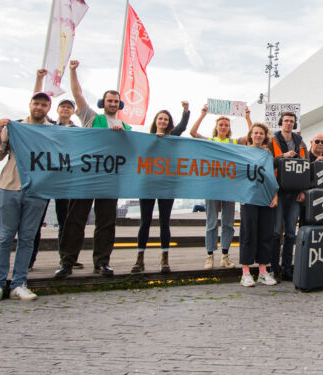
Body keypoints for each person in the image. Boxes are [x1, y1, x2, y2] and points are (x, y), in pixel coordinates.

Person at [55, 60, 130, 278]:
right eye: (109, 100)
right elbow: (77, 94)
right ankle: (67, 262)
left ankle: (102, 262)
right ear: (102, 103)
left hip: (109, 179)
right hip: (86, 177)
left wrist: (124, 136)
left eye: (115, 101)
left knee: (106, 223)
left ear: (119, 104)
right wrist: (73, 71)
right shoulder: (91, 118)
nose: (112, 103)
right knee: (75, 220)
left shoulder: (126, 127)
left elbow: (130, 151)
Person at [0, 92, 54, 302]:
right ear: (30, 104)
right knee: (4, 237)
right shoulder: (15, 127)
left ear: (48, 108)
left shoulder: (53, 131)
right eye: (36, 103)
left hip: (37, 189)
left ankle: (19, 283)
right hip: (10, 185)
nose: (39, 107)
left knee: (27, 238)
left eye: (44, 104)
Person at [29, 68, 83, 271]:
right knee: (36, 220)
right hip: (45, 177)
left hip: (65, 180)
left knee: (65, 221)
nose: (66, 110)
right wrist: (39, 79)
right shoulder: (48, 125)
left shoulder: (78, 132)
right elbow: (35, 101)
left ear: (73, 112)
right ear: (57, 110)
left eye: (70, 107)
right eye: (63, 107)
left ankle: (66, 259)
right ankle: (29, 259)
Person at [191, 103, 252, 269]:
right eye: (221, 124)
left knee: (228, 223)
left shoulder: (234, 142)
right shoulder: (210, 141)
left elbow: (251, 136)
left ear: (229, 128)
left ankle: (225, 255)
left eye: (226, 125)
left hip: (230, 187)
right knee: (211, 222)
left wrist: (247, 118)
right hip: (212, 187)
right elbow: (193, 133)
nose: (224, 127)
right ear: (216, 127)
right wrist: (203, 114)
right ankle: (209, 255)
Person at [131, 103, 190, 274]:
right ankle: (139, 259)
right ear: (156, 121)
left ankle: (165, 259)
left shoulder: (172, 137)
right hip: (148, 184)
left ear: (169, 123)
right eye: (160, 118)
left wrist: (186, 111)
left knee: (164, 222)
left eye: (166, 119)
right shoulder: (146, 139)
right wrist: (153, 141)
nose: (163, 121)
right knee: (145, 221)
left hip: (166, 185)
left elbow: (182, 127)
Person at [239, 122, 279, 286]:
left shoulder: (268, 155)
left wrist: (275, 194)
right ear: (250, 135)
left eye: (261, 133)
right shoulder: (243, 152)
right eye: (255, 133)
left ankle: (263, 271)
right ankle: (245, 272)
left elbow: (271, 176)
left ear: (265, 136)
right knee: (248, 234)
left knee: (265, 234)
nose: (258, 135)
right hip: (249, 198)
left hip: (265, 198)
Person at [270, 111, 306, 281]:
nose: (289, 123)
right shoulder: (273, 140)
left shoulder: (300, 142)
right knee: (276, 233)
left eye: (291, 121)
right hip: (278, 191)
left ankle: (286, 269)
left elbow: (306, 167)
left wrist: (303, 190)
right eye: (286, 121)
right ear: (281, 122)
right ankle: (274, 268)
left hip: (294, 194)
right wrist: (282, 156)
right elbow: (268, 163)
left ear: (294, 124)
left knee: (291, 234)